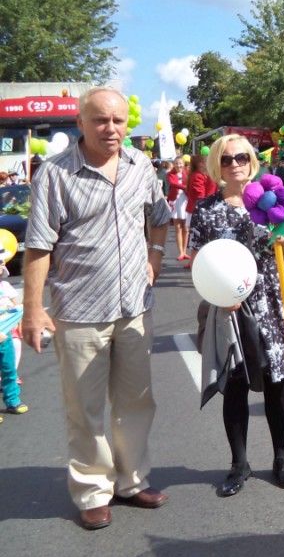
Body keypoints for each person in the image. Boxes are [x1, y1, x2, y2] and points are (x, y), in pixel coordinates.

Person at [22, 87, 171, 530]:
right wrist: (33, 309)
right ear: (80, 123)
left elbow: (159, 218)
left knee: (136, 402)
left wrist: (155, 257)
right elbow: (38, 246)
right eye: (100, 120)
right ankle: (92, 490)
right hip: (79, 310)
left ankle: (132, 480)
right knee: (84, 410)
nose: (111, 129)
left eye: (118, 120)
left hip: (134, 307)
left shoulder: (140, 165)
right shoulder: (55, 174)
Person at [188, 134, 284, 497]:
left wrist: (283, 238)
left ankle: (282, 458)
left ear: (252, 161)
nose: (235, 164)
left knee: (276, 383)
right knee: (235, 387)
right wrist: (217, 293)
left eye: (241, 157)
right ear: (217, 165)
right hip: (229, 308)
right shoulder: (207, 209)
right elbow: (198, 261)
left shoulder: (274, 201)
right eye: (226, 159)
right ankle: (238, 464)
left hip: (271, 302)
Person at [0, 251, 26, 417]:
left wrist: (18, 319)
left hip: (5, 337)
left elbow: (17, 306)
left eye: (2, 262)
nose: (2, 264)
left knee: (9, 370)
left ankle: (13, 401)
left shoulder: (4, 286)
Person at [167, 157, 190, 261]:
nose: (178, 165)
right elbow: (172, 183)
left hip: (186, 201)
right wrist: (184, 187)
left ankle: (185, 251)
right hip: (175, 201)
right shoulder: (170, 174)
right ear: (174, 164)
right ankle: (180, 252)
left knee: (186, 228)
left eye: (180, 163)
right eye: (176, 163)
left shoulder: (187, 173)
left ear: (183, 164)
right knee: (178, 228)